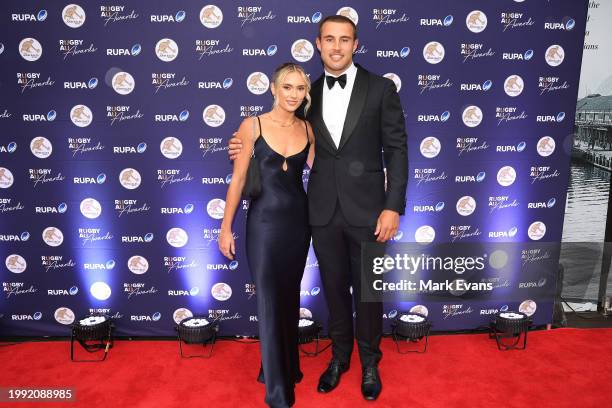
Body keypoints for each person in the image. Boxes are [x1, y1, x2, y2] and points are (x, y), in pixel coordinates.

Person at [229, 15, 408, 401]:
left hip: (370, 212)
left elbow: (397, 150)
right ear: (318, 44)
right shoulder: (306, 93)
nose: (337, 47)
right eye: (330, 39)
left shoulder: (380, 89)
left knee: (369, 291)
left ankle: (371, 363)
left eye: (345, 39)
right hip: (321, 212)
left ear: (356, 44)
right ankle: (339, 358)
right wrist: (242, 146)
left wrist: (393, 206)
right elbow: (277, 135)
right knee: (334, 290)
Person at [219, 63, 315, 408]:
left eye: (300, 89)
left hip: (298, 224)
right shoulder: (252, 126)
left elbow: (327, 171)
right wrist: (225, 227)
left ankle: (285, 369)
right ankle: (279, 393)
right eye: (287, 87)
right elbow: (238, 180)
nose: (293, 94)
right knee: (269, 302)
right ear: (273, 89)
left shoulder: (308, 128)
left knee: (289, 299)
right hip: (262, 225)